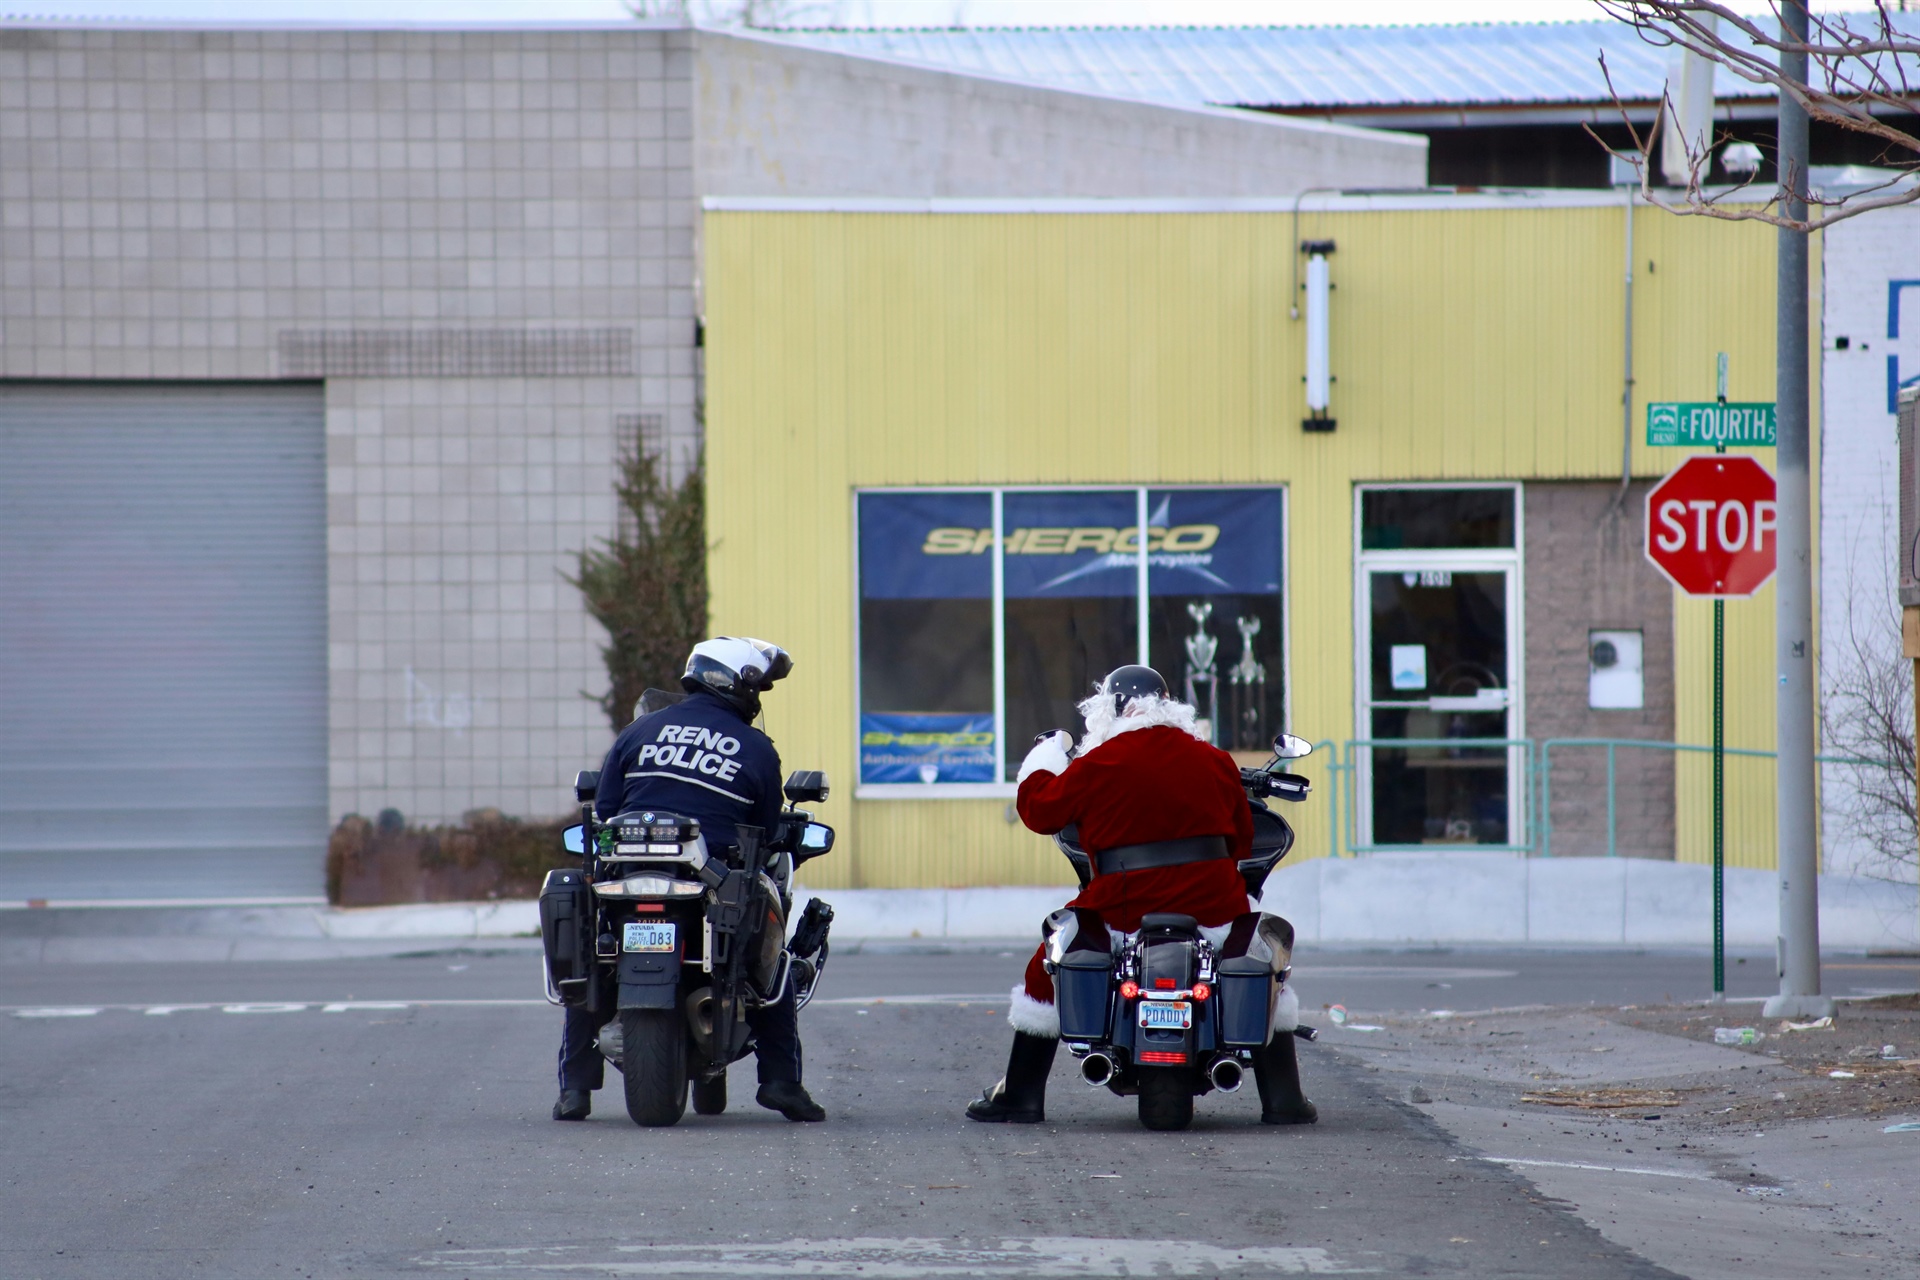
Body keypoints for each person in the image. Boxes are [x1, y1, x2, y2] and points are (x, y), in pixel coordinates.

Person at [965, 665, 1317, 1126]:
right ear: (1167, 706)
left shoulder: (1100, 761)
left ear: (1109, 709)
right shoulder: (1211, 758)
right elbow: (1243, 841)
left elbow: (1039, 811)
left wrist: (1044, 758)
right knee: (1263, 959)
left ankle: (1021, 1096)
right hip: (1212, 904)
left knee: (1048, 964)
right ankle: (1284, 1101)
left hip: (1123, 905)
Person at [552, 636, 826, 1123]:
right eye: (756, 688)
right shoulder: (756, 747)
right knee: (771, 960)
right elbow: (764, 827)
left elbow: (608, 809)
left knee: (595, 963)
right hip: (716, 879)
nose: (757, 700)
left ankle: (575, 1089)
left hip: (629, 874)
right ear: (733, 683)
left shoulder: (639, 732)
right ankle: (782, 1082)